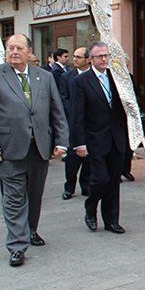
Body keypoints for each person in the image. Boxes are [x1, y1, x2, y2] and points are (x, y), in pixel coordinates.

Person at [0, 34, 68, 267]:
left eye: (19, 48)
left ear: (29, 51)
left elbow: (57, 111)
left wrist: (62, 141)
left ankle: (30, 230)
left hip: (39, 148)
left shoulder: (44, 77)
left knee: (34, 195)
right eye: (10, 48)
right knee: (14, 198)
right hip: (9, 149)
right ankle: (17, 245)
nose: (14, 51)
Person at [70, 41, 128, 234]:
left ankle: (111, 220)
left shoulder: (117, 78)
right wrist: (79, 142)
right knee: (100, 179)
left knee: (113, 181)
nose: (104, 59)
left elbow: (128, 106)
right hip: (94, 139)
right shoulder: (81, 82)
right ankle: (91, 206)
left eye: (106, 56)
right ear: (91, 59)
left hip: (117, 137)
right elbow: (77, 114)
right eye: (99, 56)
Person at [59, 47, 91, 199]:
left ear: (87, 59)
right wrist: (74, 113)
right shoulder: (67, 77)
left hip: (91, 124)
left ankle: (86, 186)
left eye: (79, 57)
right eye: (74, 56)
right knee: (72, 159)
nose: (75, 60)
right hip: (73, 123)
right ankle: (69, 186)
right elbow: (63, 98)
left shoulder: (93, 76)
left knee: (89, 159)